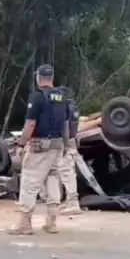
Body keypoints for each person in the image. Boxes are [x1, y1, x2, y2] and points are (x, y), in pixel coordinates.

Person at [9, 64, 70, 235]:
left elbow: (30, 123)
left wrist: (21, 144)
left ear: (38, 77)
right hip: (57, 145)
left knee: (29, 182)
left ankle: (25, 223)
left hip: (40, 146)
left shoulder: (37, 96)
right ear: (52, 78)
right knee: (52, 180)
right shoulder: (61, 96)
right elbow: (66, 124)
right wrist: (66, 145)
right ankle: (52, 222)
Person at [54, 86, 81, 215]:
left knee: (66, 172)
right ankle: (68, 200)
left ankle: (73, 203)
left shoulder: (63, 107)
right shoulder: (73, 107)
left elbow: (64, 127)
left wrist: (64, 145)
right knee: (68, 172)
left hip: (66, 142)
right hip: (72, 140)